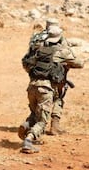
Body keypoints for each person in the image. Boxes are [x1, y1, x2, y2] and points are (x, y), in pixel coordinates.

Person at [19, 25, 84, 154]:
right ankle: (28, 141)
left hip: (32, 87)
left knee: (35, 113)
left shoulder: (38, 50)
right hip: (46, 89)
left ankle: (26, 125)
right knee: (43, 121)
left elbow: (26, 64)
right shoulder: (61, 51)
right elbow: (80, 63)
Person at [27, 18, 70, 135]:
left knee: (37, 102)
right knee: (58, 98)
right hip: (53, 76)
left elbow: (28, 58)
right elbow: (68, 57)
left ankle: (29, 124)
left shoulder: (36, 38)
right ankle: (54, 126)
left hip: (35, 75)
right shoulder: (58, 39)